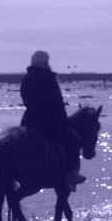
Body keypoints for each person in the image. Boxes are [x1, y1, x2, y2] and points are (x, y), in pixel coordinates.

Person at [20, 50, 86, 190]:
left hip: (28, 121)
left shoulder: (26, 79)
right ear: (45, 63)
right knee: (75, 140)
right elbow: (58, 103)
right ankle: (72, 174)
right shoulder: (48, 78)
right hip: (49, 124)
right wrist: (65, 123)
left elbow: (26, 101)